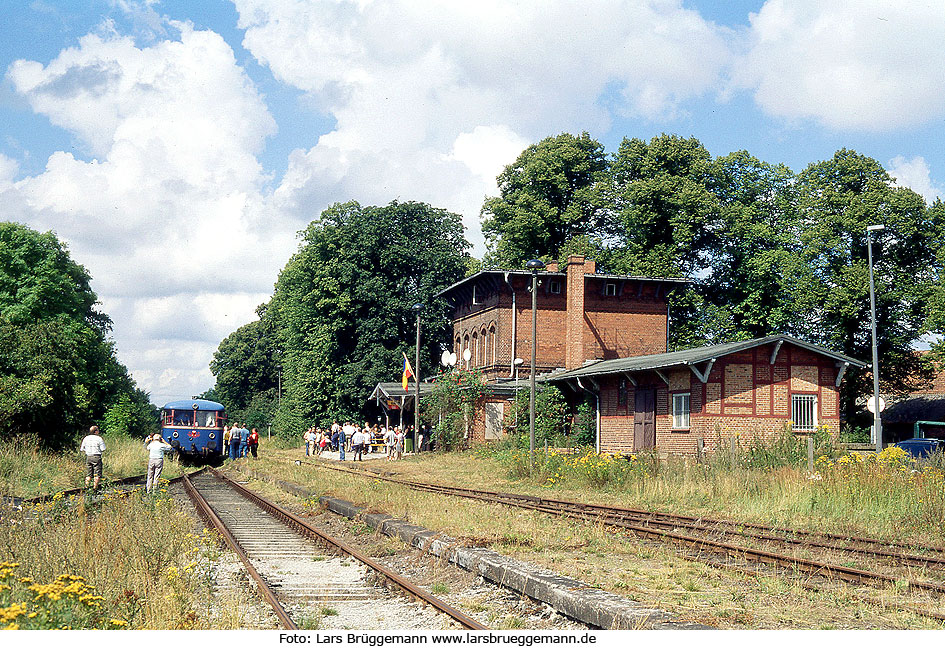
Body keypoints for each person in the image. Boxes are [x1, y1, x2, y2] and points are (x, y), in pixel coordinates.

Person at [80, 425, 106, 490]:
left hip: (88, 457)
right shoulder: (99, 438)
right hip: (96, 456)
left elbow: (82, 449)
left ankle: (86, 488)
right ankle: (95, 489)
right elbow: (103, 449)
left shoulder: (86, 438)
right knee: (97, 474)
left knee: (89, 474)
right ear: (96, 431)